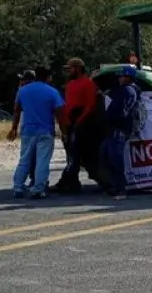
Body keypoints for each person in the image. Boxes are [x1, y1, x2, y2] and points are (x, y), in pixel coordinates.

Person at [7, 67, 64, 199]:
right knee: (42, 161)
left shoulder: (23, 91)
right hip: (45, 131)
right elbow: (60, 113)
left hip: (28, 130)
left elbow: (16, 110)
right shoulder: (52, 92)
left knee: (24, 159)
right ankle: (38, 188)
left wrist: (14, 128)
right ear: (47, 77)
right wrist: (63, 131)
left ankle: (18, 186)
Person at [52, 58, 99, 193]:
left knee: (75, 154)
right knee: (71, 154)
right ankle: (72, 181)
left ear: (78, 68)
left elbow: (90, 105)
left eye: (70, 68)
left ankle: (67, 182)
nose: (68, 71)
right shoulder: (71, 84)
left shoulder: (88, 83)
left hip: (80, 123)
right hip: (69, 122)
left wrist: (79, 122)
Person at [103, 65, 141, 201]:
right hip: (114, 128)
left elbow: (121, 112)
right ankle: (115, 185)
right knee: (107, 156)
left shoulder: (128, 91)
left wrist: (108, 117)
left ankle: (121, 189)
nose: (120, 78)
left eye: (123, 76)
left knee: (116, 159)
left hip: (119, 129)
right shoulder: (121, 91)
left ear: (129, 78)